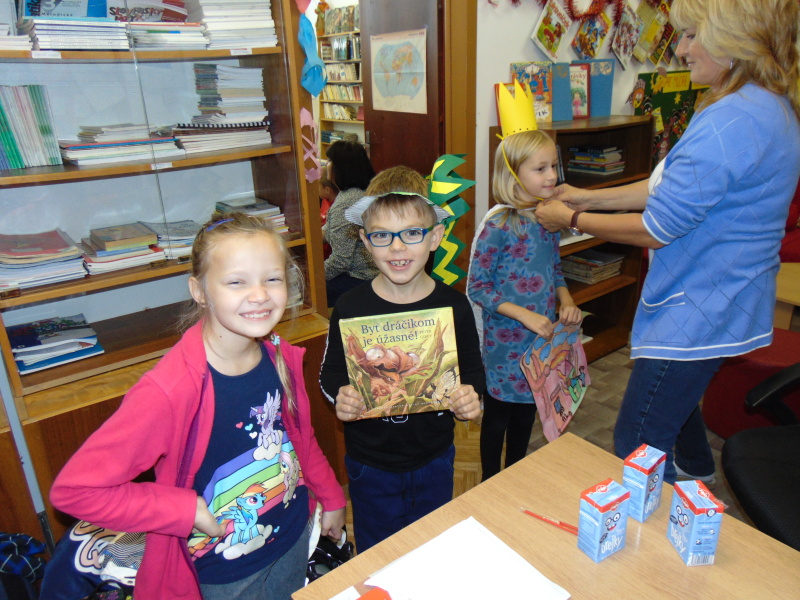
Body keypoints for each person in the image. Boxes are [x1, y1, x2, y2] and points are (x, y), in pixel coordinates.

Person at [535, 0, 800, 485]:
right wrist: (588, 195)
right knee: (675, 400)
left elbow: (657, 225)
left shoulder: (732, 120)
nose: (680, 48)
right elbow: (667, 187)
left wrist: (572, 217)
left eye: (693, 35)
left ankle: (669, 517)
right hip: (725, 297)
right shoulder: (761, 104)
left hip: (701, 306)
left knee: (637, 438)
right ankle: (698, 472)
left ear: (733, 40)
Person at [50, 213, 346, 600]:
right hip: (224, 571)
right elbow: (75, 491)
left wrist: (331, 495)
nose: (260, 294)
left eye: (272, 279)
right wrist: (183, 509)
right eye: (237, 282)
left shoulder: (278, 355)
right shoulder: (168, 390)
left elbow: (300, 439)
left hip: (291, 537)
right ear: (200, 290)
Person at [319, 180, 485, 553]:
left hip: (435, 457)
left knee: (432, 547)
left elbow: (473, 370)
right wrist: (341, 396)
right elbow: (330, 372)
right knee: (377, 552)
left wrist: (471, 398)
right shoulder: (350, 306)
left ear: (435, 237)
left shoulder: (455, 306)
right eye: (382, 235)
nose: (397, 247)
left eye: (412, 233)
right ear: (365, 241)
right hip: (370, 463)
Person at [467, 129, 582, 482]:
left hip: (540, 342)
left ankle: (514, 476)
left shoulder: (549, 219)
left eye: (553, 166)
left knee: (528, 412)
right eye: (540, 168)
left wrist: (566, 299)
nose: (552, 176)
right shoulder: (498, 226)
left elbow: (554, 270)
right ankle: (490, 482)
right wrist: (524, 315)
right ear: (512, 175)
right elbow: (477, 287)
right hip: (505, 345)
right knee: (498, 417)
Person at [323, 140, 378, 307]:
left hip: (358, 278)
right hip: (373, 275)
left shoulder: (347, 203)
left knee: (307, 293)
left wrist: (313, 277)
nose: (326, 165)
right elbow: (330, 229)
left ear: (341, 167)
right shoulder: (361, 192)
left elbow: (340, 261)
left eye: (330, 161)